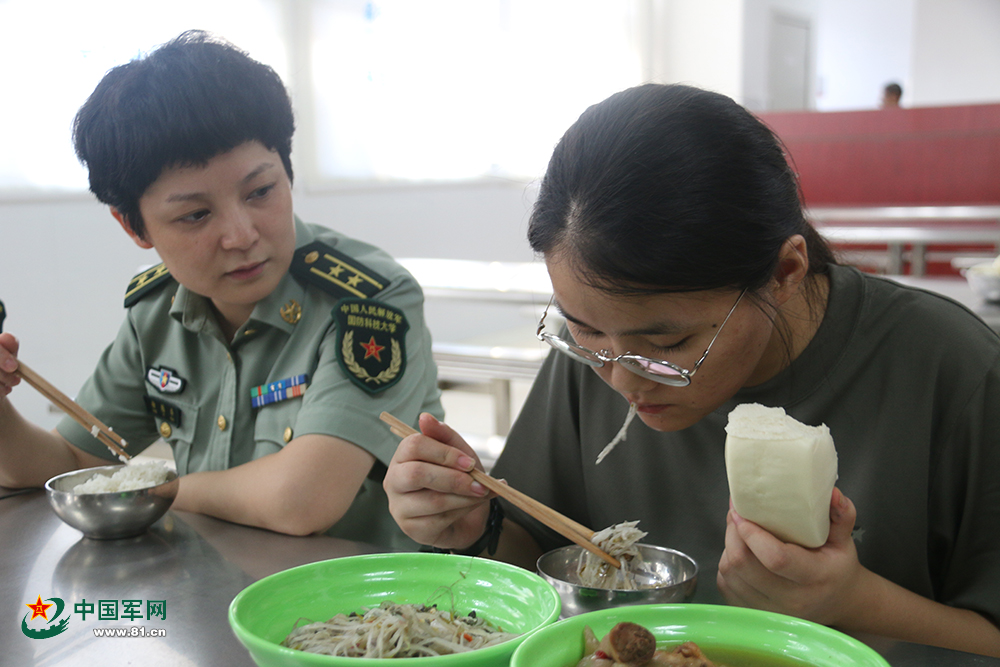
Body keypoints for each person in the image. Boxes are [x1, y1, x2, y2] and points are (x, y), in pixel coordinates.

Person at [383, 83, 1000, 656]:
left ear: (785, 274)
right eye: (584, 331)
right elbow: (537, 548)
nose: (623, 381)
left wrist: (856, 601)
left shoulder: (953, 371)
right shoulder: (602, 358)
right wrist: (471, 524)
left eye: (669, 342)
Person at [0, 31, 443, 548]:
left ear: (287, 169)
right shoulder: (156, 312)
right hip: (211, 592)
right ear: (135, 227)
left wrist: (149, 487)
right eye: (195, 214)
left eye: (260, 191)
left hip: (364, 610)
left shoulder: (368, 301)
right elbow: (74, 461)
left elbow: (303, 500)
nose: (242, 235)